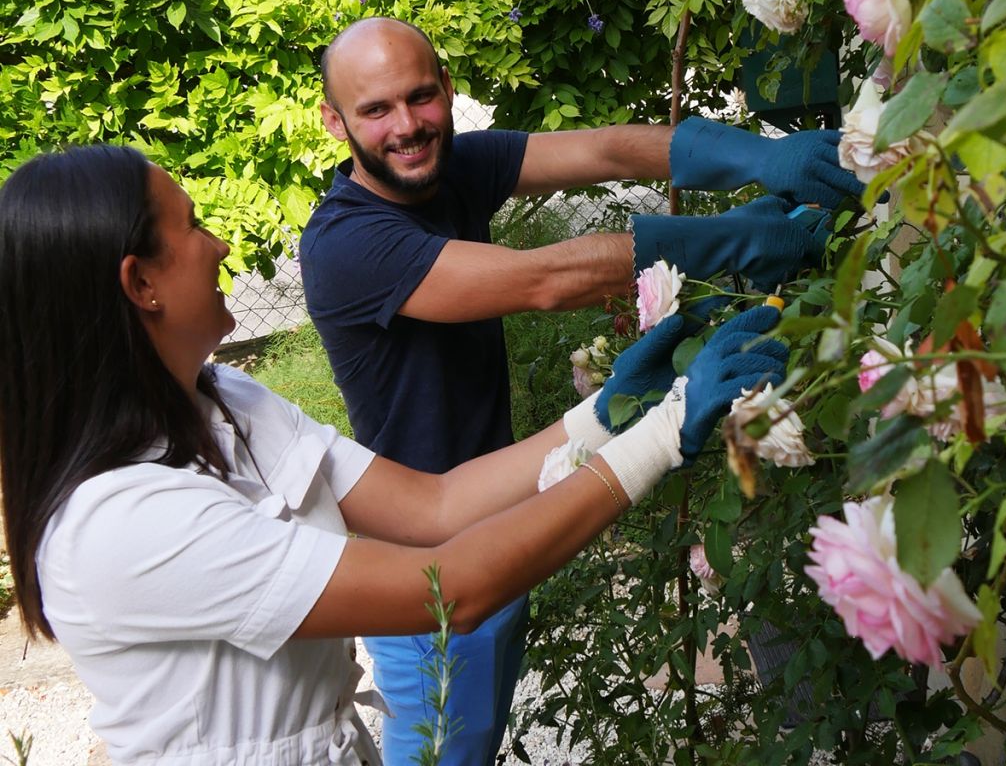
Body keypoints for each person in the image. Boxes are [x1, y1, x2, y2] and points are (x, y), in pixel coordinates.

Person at [0, 144, 788, 766]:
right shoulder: (121, 521)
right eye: (194, 225)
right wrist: (662, 434)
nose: (221, 242)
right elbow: (452, 588)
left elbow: (433, 507)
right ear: (141, 283)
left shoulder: (224, 401)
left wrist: (608, 414)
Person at [299, 17, 866, 763]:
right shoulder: (345, 244)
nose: (406, 125)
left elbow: (605, 150)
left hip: (502, 520)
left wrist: (762, 156)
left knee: (478, 740)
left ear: (447, 88)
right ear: (334, 120)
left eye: (420, 96)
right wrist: (737, 237)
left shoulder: (451, 165)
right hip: (425, 569)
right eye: (375, 109)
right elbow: (547, 279)